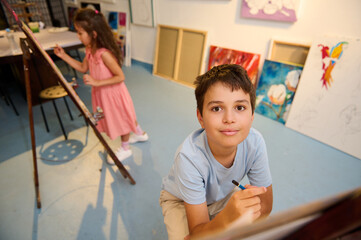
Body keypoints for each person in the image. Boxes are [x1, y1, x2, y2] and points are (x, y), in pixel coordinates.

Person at [159, 64, 273, 239]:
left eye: (240, 107)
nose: (229, 119)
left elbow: (265, 208)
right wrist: (227, 219)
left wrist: (234, 220)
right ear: (201, 118)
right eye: (216, 108)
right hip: (179, 200)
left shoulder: (255, 143)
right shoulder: (189, 158)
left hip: (221, 195)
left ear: (252, 116)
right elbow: (197, 235)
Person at [54, 8, 148, 163]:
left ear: (94, 34)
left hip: (113, 94)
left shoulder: (104, 54)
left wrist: (96, 82)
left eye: (80, 32)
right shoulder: (90, 49)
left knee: (123, 118)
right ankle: (139, 133)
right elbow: (83, 68)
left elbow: (120, 76)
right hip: (101, 95)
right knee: (110, 115)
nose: (78, 36)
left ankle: (125, 149)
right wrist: (63, 56)